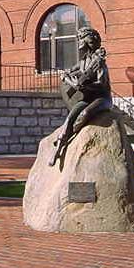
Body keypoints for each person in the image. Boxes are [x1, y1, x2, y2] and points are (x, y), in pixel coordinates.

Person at [48, 27, 112, 166]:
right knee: (71, 116)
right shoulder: (83, 62)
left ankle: (68, 136)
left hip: (102, 98)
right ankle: (59, 148)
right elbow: (69, 71)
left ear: (88, 41)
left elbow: (102, 84)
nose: (78, 42)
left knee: (85, 113)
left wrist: (86, 86)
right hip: (87, 98)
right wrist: (65, 76)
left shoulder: (98, 62)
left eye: (80, 39)